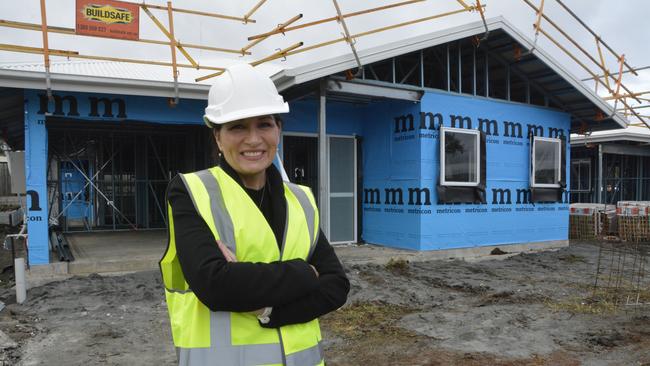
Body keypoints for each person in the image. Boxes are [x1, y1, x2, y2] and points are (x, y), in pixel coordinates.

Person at [160, 63, 350, 366]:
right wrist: (305, 273)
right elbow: (216, 285)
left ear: (278, 129)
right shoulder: (191, 192)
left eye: (264, 124)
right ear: (218, 138)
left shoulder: (301, 199)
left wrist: (269, 312)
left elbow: (336, 286)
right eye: (237, 126)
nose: (253, 139)